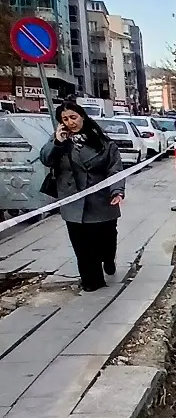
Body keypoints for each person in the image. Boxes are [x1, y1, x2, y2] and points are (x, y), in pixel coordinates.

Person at [40, 100, 124, 292]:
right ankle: (91, 281)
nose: (70, 122)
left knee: (107, 239)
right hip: (72, 200)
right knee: (82, 246)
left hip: (101, 199)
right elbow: (46, 159)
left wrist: (117, 190)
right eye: (65, 119)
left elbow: (115, 168)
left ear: (83, 117)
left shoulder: (102, 142)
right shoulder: (58, 142)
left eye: (73, 117)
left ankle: (108, 258)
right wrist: (57, 142)